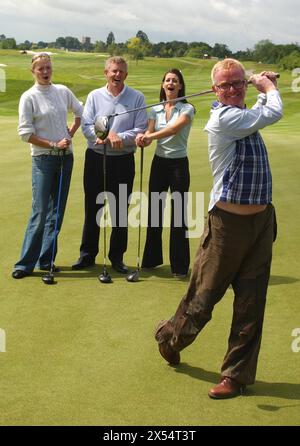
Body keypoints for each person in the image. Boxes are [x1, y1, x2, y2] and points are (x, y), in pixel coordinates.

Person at [154, 59, 283, 399]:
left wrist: (256, 91)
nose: (233, 89)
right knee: (203, 298)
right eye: (225, 85)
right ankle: (171, 337)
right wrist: (267, 88)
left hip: (261, 222)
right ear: (214, 90)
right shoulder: (222, 119)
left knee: (251, 303)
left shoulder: (241, 116)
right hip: (227, 225)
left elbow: (255, 114)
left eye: (239, 82)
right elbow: (271, 113)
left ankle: (235, 376)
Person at [72, 56, 147, 273]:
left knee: (120, 211)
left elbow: (140, 129)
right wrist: (107, 134)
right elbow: (86, 125)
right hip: (96, 157)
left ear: (126, 74)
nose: (117, 75)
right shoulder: (95, 96)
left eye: (121, 71)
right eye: (113, 71)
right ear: (106, 73)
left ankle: (117, 257)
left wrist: (119, 137)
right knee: (92, 207)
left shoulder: (137, 97)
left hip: (123, 160)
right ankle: (87, 255)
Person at [12, 53, 83, 279]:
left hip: (65, 158)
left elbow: (80, 113)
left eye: (48, 67)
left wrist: (69, 134)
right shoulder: (29, 97)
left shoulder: (62, 91)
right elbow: (25, 134)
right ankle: (25, 264)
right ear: (33, 71)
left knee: (57, 213)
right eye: (40, 68)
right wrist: (53, 143)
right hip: (43, 159)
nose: (45, 72)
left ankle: (46, 261)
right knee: (41, 211)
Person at [136, 69, 195, 278]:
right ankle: (151, 260)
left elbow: (172, 130)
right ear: (163, 85)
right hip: (159, 164)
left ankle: (179, 266)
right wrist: (143, 137)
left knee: (178, 214)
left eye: (175, 81)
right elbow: (150, 131)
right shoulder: (155, 110)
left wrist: (150, 137)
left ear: (180, 86)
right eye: (168, 80)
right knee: (154, 212)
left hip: (179, 165)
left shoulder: (188, 108)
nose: (171, 83)